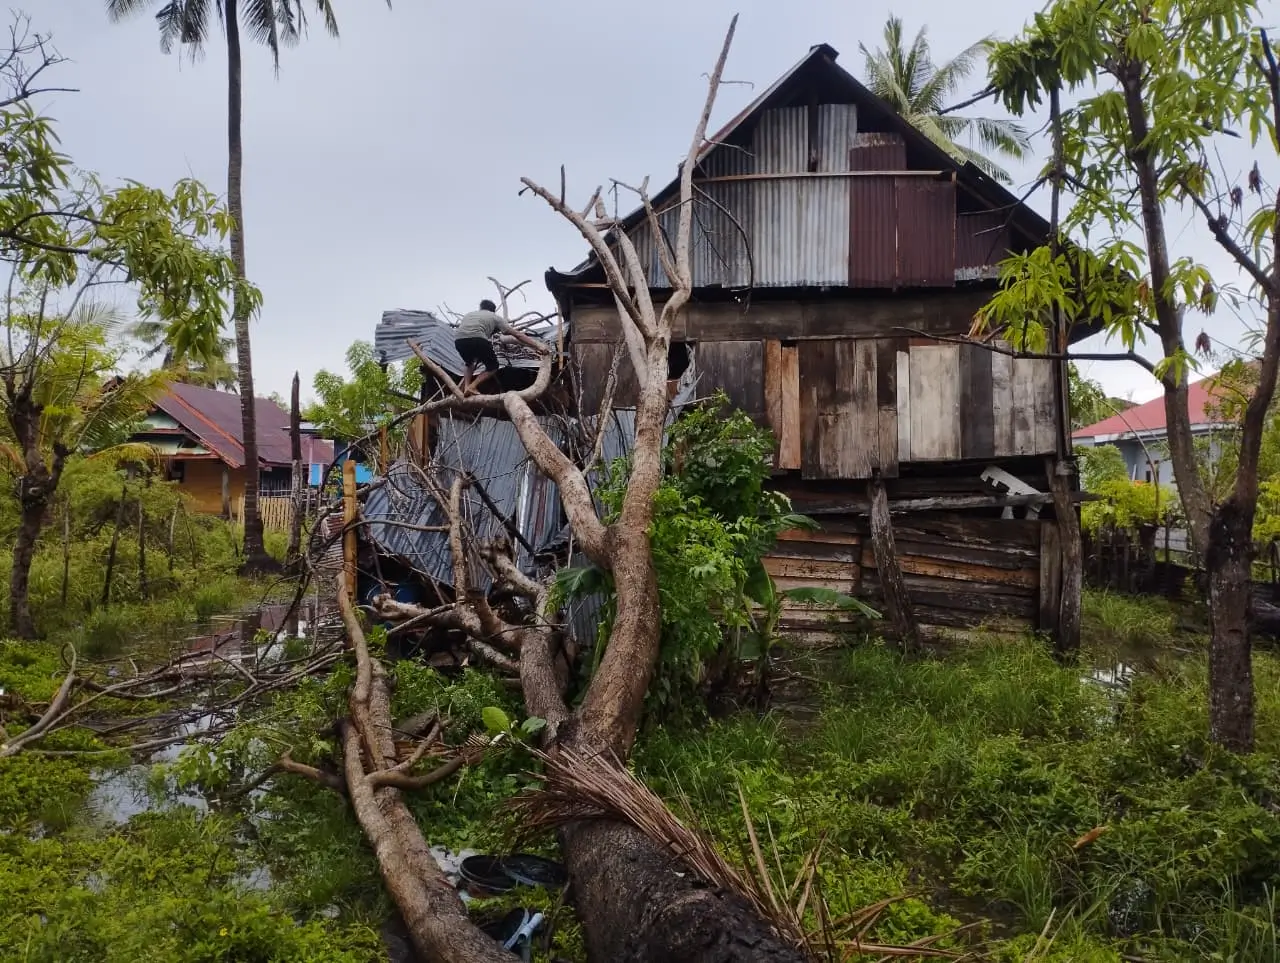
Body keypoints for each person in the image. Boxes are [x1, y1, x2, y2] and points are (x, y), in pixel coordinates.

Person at [454, 299, 547, 395]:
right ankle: (472, 386)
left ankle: (466, 387)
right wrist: (537, 346)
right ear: (493, 310)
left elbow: (472, 330)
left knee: (469, 363)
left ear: (481, 308)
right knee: (493, 366)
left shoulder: (469, 315)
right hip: (478, 339)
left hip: (459, 340)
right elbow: (517, 335)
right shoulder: (495, 317)